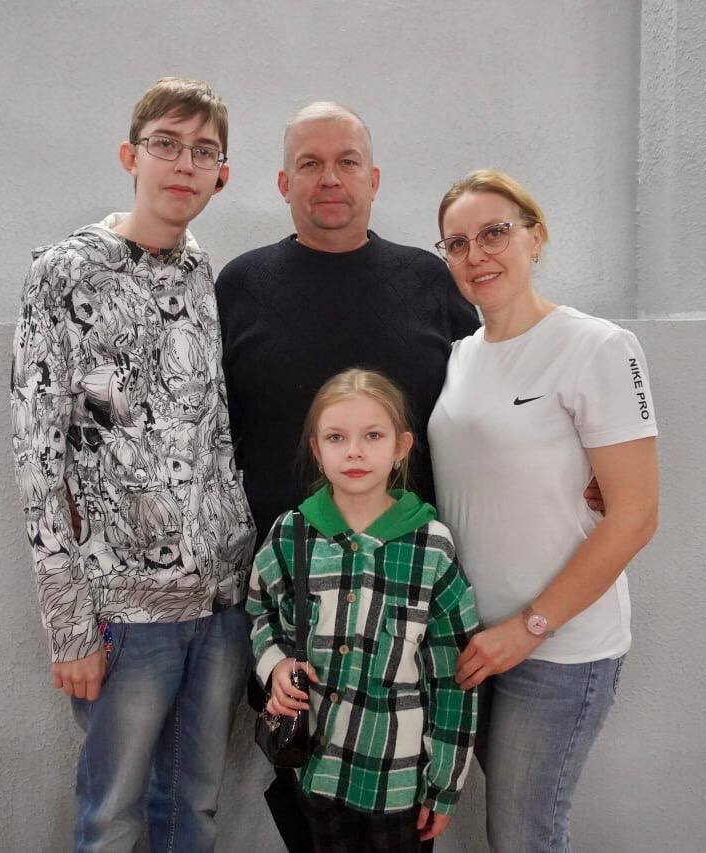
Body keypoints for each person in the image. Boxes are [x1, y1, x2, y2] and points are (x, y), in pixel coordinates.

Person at [213, 101, 480, 850]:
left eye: (346, 162)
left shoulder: (427, 280)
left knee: (394, 816)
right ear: (282, 183)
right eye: (310, 163)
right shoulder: (241, 285)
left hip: (402, 610)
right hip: (290, 595)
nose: (329, 178)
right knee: (307, 793)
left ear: (374, 178)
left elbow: (491, 391)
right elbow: (201, 424)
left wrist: (580, 460)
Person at [10, 77, 255, 852]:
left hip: (220, 602)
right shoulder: (65, 272)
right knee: (111, 815)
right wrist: (69, 627)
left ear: (222, 174)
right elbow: (37, 456)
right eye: (166, 145)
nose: (184, 164)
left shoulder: (202, 274)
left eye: (203, 151)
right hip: (125, 613)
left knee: (194, 807)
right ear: (130, 156)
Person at [427, 170, 660, 852]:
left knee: (524, 834)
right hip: (475, 644)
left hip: (557, 646)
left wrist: (529, 627)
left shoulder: (597, 347)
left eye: (495, 233)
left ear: (536, 237)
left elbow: (636, 514)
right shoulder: (459, 357)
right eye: (457, 243)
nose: (476, 254)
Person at [247, 369, 480, 852]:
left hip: (397, 782)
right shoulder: (291, 534)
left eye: (373, 435)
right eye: (337, 437)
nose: (354, 451)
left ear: (401, 447)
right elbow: (261, 612)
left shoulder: (431, 547)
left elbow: (452, 675)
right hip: (316, 771)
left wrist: (444, 783)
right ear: (317, 449)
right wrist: (276, 666)